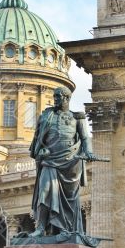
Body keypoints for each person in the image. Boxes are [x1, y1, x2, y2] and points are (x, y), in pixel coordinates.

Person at [29, 86, 96, 239]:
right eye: (54, 96)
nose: (55, 99)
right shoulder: (46, 116)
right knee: (44, 191)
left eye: (58, 96)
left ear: (67, 98)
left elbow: (85, 138)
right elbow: (36, 141)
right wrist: (39, 151)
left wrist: (88, 152)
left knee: (69, 198)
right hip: (49, 161)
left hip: (71, 163)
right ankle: (40, 227)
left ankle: (66, 228)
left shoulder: (77, 117)